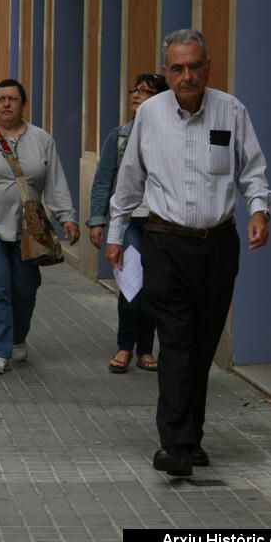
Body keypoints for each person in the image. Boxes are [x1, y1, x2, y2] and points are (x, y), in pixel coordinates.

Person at [106, 29, 271, 477]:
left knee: (201, 345)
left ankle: (192, 437)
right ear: (166, 71)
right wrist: (115, 232)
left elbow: (254, 170)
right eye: (177, 68)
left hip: (218, 245)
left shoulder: (231, 111)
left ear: (208, 66)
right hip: (164, 241)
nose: (187, 76)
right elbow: (130, 179)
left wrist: (260, 211)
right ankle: (176, 444)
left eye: (194, 66)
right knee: (177, 341)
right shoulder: (150, 115)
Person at [0, 79, 80, 375]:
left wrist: (67, 216)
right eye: (1, 99)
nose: (6, 104)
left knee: (25, 287)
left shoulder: (42, 139)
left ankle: (18, 336)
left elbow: (55, 182)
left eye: (12, 99)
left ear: (23, 104)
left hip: (28, 230)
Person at [87, 72, 169, 374]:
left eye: (146, 91)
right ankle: (125, 346)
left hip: (162, 223)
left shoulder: (170, 135)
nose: (137, 96)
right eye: (135, 90)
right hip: (130, 222)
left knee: (152, 289)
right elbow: (102, 182)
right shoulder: (120, 137)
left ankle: (146, 350)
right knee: (132, 287)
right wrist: (97, 221)